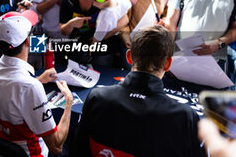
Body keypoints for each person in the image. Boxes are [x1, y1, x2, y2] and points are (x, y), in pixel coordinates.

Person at [70, 25, 207, 157]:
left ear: (129, 57)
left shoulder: (96, 98)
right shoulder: (184, 117)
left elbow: (78, 151)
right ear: (167, 64)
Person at [0, 10, 73, 157]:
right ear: (28, 41)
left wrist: (38, 80)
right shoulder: (29, 86)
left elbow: (10, 92)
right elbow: (56, 146)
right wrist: (68, 102)